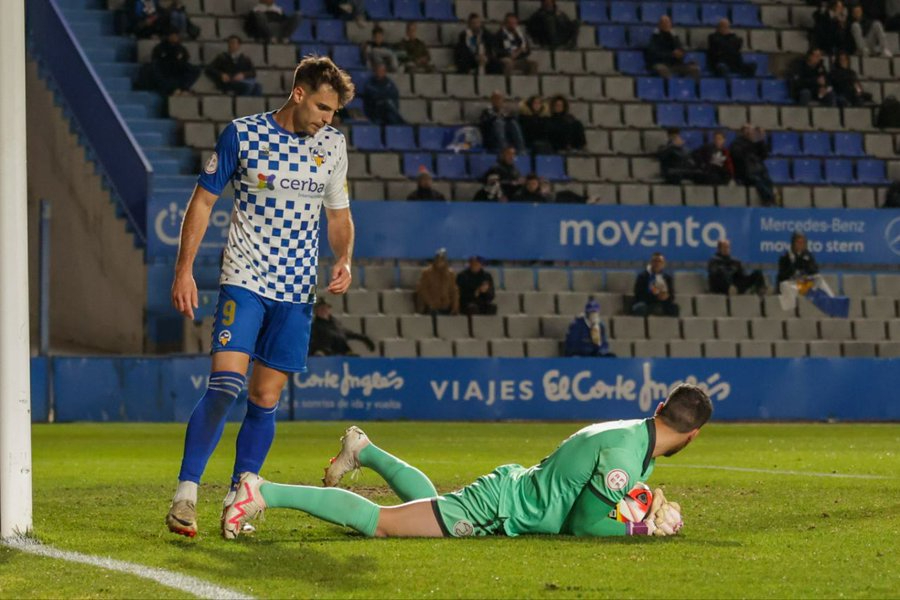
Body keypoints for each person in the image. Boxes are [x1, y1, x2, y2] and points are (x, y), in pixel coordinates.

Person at [165, 56, 356, 538]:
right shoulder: (243, 134)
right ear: (298, 94)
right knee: (226, 385)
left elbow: (338, 215)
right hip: (245, 279)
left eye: (333, 112)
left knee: (264, 397)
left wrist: (344, 257)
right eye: (321, 107)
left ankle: (237, 500)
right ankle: (186, 494)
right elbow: (204, 199)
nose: (327, 119)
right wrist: (184, 269)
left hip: (296, 291)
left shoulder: (333, 145)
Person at [223, 383, 712, 540]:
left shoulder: (632, 435)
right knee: (382, 524)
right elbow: (584, 526)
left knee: (430, 500)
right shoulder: (628, 456)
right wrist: (641, 528)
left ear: (659, 410)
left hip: (511, 494)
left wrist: (638, 508)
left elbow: (593, 496)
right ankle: (262, 490)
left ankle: (363, 450)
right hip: (499, 507)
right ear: (692, 435)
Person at [776, 232, 848, 317]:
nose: (801, 245)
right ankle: (791, 313)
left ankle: (832, 301)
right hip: (791, 284)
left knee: (819, 279)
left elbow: (814, 270)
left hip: (803, 284)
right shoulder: (785, 256)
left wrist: (806, 272)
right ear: (793, 243)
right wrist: (793, 267)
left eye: (803, 243)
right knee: (785, 285)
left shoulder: (807, 254)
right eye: (798, 243)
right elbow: (782, 275)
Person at [138, 29, 201, 96]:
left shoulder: (181, 48)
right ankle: (172, 89)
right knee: (153, 68)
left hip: (178, 70)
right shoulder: (159, 48)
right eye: (172, 35)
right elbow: (155, 60)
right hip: (164, 70)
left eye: (176, 35)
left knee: (194, 69)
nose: (174, 37)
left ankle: (183, 88)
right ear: (168, 36)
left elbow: (185, 59)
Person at [308, 298, 374, 356]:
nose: (323, 310)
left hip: (342, 354)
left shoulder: (336, 325)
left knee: (353, 357)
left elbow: (348, 333)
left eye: (325, 308)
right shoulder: (314, 326)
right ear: (316, 311)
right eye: (320, 309)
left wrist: (365, 339)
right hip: (324, 355)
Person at [645, 16, 700, 80]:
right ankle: (671, 87)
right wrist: (671, 54)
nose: (667, 24)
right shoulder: (655, 37)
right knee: (662, 69)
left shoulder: (674, 36)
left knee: (694, 68)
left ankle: (696, 87)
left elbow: (680, 48)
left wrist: (681, 53)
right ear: (660, 25)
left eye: (668, 22)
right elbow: (653, 54)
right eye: (664, 22)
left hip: (675, 64)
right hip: (661, 63)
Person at [632, 253, 679, 317]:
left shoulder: (667, 278)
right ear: (651, 263)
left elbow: (671, 295)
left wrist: (666, 297)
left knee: (674, 308)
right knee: (640, 307)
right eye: (655, 261)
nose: (657, 264)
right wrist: (655, 296)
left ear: (663, 264)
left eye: (659, 261)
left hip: (662, 303)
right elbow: (638, 294)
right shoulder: (643, 276)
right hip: (646, 303)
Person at [415, 249, 459, 315]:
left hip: (446, 306)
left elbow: (454, 291)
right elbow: (423, 289)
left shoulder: (450, 274)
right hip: (431, 307)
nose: (439, 261)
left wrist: (455, 306)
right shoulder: (427, 273)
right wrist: (431, 303)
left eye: (442, 259)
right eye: (438, 258)